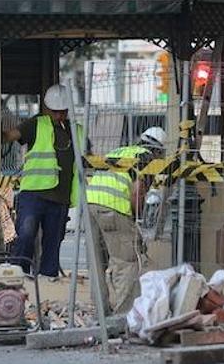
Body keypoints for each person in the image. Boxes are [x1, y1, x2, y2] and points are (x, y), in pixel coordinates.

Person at [85, 126, 165, 314]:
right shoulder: (147, 159)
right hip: (114, 207)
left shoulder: (120, 150)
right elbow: (137, 193)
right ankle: (123, 317)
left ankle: (101, 314)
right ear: (158, 151)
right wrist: (137, 220)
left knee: (96, 262)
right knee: (126, 262)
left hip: (90, 205)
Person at [3, 84, 79, 279]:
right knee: (26, 236)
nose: (59, 116)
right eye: (55, 112)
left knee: (53, 242)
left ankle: (48, 279)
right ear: (47, 109)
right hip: (33, 194)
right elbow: (12, 136)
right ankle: (18, 276)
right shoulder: (37, 124)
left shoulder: (76, 132)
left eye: (62, 112)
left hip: (60, 198)